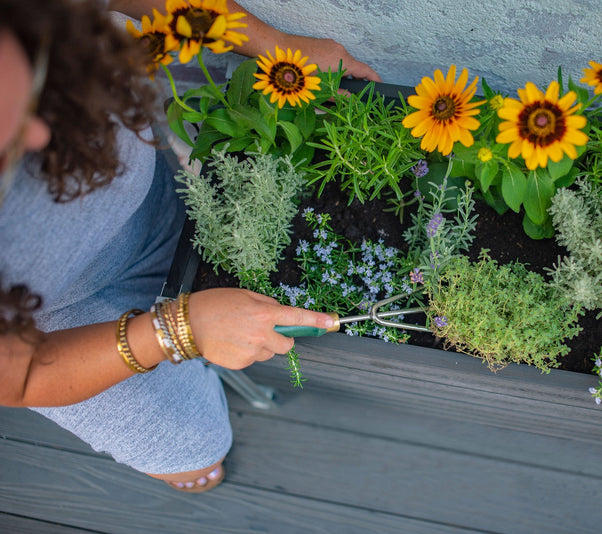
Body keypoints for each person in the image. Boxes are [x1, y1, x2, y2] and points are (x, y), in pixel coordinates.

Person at [0, 0, 379, 493]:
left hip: (159, 193)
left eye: (36, 82)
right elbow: (19, 376)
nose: (40, 134)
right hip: (60, 317)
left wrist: (277, 49)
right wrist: (178, 331)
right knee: (195, 456)